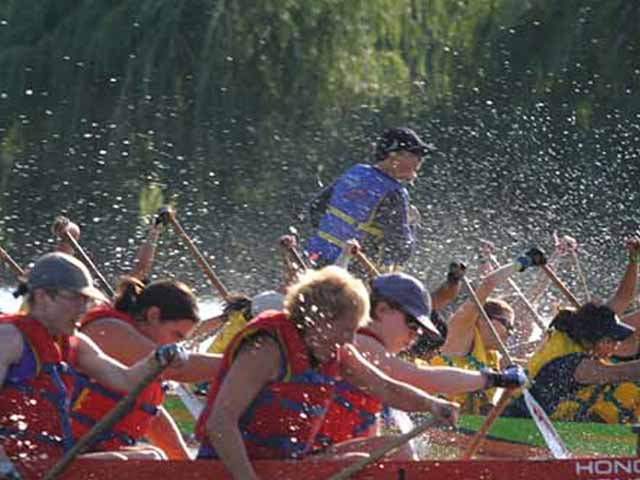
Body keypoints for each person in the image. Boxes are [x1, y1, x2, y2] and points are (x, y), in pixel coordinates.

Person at [195, 266, 459, 480]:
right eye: (346, 329)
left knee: (386, 450)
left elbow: (385, 388)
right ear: (318, 319)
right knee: (356, 463)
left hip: (288, 464)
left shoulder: (338, 351)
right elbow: (219, 423)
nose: (350, 339)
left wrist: (431, 404)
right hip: (228, 468)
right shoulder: (267, 348)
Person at [0, 253, 191, 479]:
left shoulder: (76, 343)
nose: (84, 309)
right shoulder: (8, 338)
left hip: (48, 462)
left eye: (87, 301)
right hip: (13, 466)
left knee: (151, 457)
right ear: (42, 296)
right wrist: (4, 466)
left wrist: (158, 359)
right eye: (76, 299)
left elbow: (125, 379)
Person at [313, 271, 528, 453]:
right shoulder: (359, 343)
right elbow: (419, 378)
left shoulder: (368, 346)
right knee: (401, 449)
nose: (415, 336)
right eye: (413, 325)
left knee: (399, 433)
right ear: (382, 310)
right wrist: (495, 379)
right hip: (317, 458)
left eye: (419, 330)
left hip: (340, 451)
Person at [70, 277, 223, 460]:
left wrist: (187, 464)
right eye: (176, 335)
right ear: (153, 315)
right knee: (152, 457)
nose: (176, 345)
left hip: (89, 452)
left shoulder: (145, 359)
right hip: (61, 455)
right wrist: (238, 362)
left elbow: (152, 416)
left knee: (156, 456)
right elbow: (178, 369)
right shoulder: (108, 329)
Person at [429, 248, 546, 414]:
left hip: (465, 420)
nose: (510, 332)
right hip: (436, 415)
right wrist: (523, 262)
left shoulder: (493, 356)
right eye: (507, 325)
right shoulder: (460, 333)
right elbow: (488, 284)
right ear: (483, 320)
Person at [304, 127, 433, 271]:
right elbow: (401, 250)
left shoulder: (355, 172)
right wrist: (412, 223)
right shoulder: (394, 193)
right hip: (350, 273)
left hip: (314, 259)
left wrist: (331, 240)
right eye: (416, 155)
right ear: (393, 156)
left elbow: (316, 208)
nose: (420, 162)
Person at [504, 302, 640, 423]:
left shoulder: (580, 357)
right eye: (610, 341)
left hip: (535, 424)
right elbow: (622, 373)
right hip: (518, 424)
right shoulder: (579, 365)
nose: (616, 346)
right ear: (592, 339)